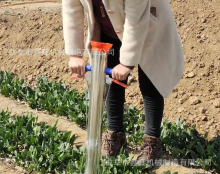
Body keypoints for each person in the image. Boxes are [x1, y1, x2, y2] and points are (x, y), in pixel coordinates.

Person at [62, 0, 184, 164]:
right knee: (111, 79)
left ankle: (152, 142)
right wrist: (75, 54)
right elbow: (71, 11)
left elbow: (136, 21)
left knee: (150, 82)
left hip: (149, 23)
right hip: (109, 26)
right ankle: (115, 135)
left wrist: (127, 62)